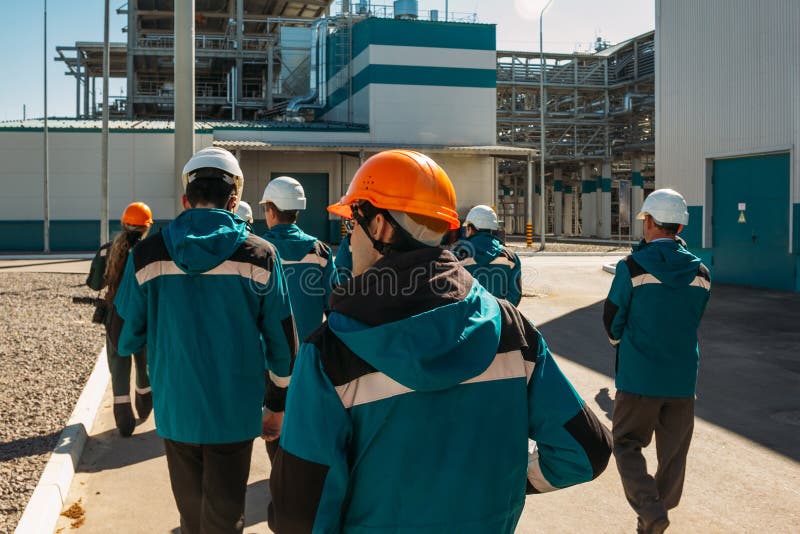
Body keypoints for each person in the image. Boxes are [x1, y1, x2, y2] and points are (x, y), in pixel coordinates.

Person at [269, 149, 612, 533]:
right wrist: (512, 482)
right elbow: (585, 450)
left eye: (352, 228)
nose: (348, 242)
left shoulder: (330, 353)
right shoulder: (511, 330)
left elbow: (299, 514)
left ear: (380, 226)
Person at [114, 147, 298, 534]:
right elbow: (283, 344)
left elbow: (129, 334)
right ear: (235, 201)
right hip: (235, 412)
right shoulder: (261, 255)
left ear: (185, 199)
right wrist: (278, 403)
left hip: (176, 409)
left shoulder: (148, 254)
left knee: (190, 517)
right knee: (226, 518)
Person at [603, 188, 711, 534]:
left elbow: (613, 316)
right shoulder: (703, 274)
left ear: (649, 222)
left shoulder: (632, 266)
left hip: (638, 378)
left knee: (625, 443)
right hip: (682, 380)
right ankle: (654, 518)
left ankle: (650, 510)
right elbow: (693, 318)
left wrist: (619, 341)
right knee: (674, 456)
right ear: (679, 226)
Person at [86, 202, 153, 437]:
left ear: (124, 224)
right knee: (143, 361)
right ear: (146, 228)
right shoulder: (149, 252)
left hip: (115, 316)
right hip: (144, 315)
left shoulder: (107, 250)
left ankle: (124, 419)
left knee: (118, 363)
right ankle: (144, 404)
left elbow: (95, 284)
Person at [259, 176, 339, 343]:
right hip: (309, 354)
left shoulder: (257, 252)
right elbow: (335, 307)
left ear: (272, 212)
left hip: (271, 355)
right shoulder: (321, 252)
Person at [452, 204, 522, 305]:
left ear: (470, 228)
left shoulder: (457, 255)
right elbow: (515, 295)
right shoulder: (510, 257)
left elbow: (452, 294)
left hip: (469, 318)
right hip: (499, 318)